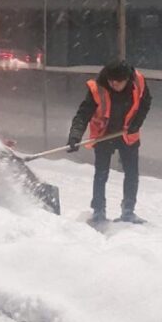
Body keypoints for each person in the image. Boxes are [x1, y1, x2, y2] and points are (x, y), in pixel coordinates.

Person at [67, 60, 152, 224]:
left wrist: (137, 123)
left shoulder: (138, 82)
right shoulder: (97, 88)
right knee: (101, 173)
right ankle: (98, 211)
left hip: (128, 134)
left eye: (118, 82)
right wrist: (75, 135)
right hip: (104, 134)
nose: (114, 84)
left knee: (132, 173)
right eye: (111, 81)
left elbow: (145, 102)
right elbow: (83, 114)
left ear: (127, 79)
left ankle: (128, 211)